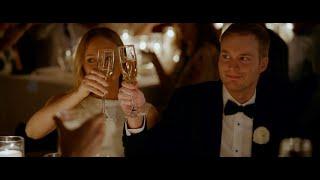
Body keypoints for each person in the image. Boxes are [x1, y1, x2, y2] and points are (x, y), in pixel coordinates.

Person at [123, 23, 298, 157]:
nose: (232, 67)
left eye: (243, 58)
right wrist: (134, 117)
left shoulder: (283, 108)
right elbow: (145, 154)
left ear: (263, 64)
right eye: (226, 56)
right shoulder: (188, 102)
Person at [25, 27, 158, 157]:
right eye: (91, 60)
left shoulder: (145, 111)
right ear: (82, 65)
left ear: (123, 62)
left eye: (108, 58)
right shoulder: (67, 103)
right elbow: (32, 132)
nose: (100, 67)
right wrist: (78, 94)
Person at [143, 23, 220, 111]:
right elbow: (170, 86)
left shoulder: (207, 54)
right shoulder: (187, 52)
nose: (180, 26)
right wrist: (155, 60)